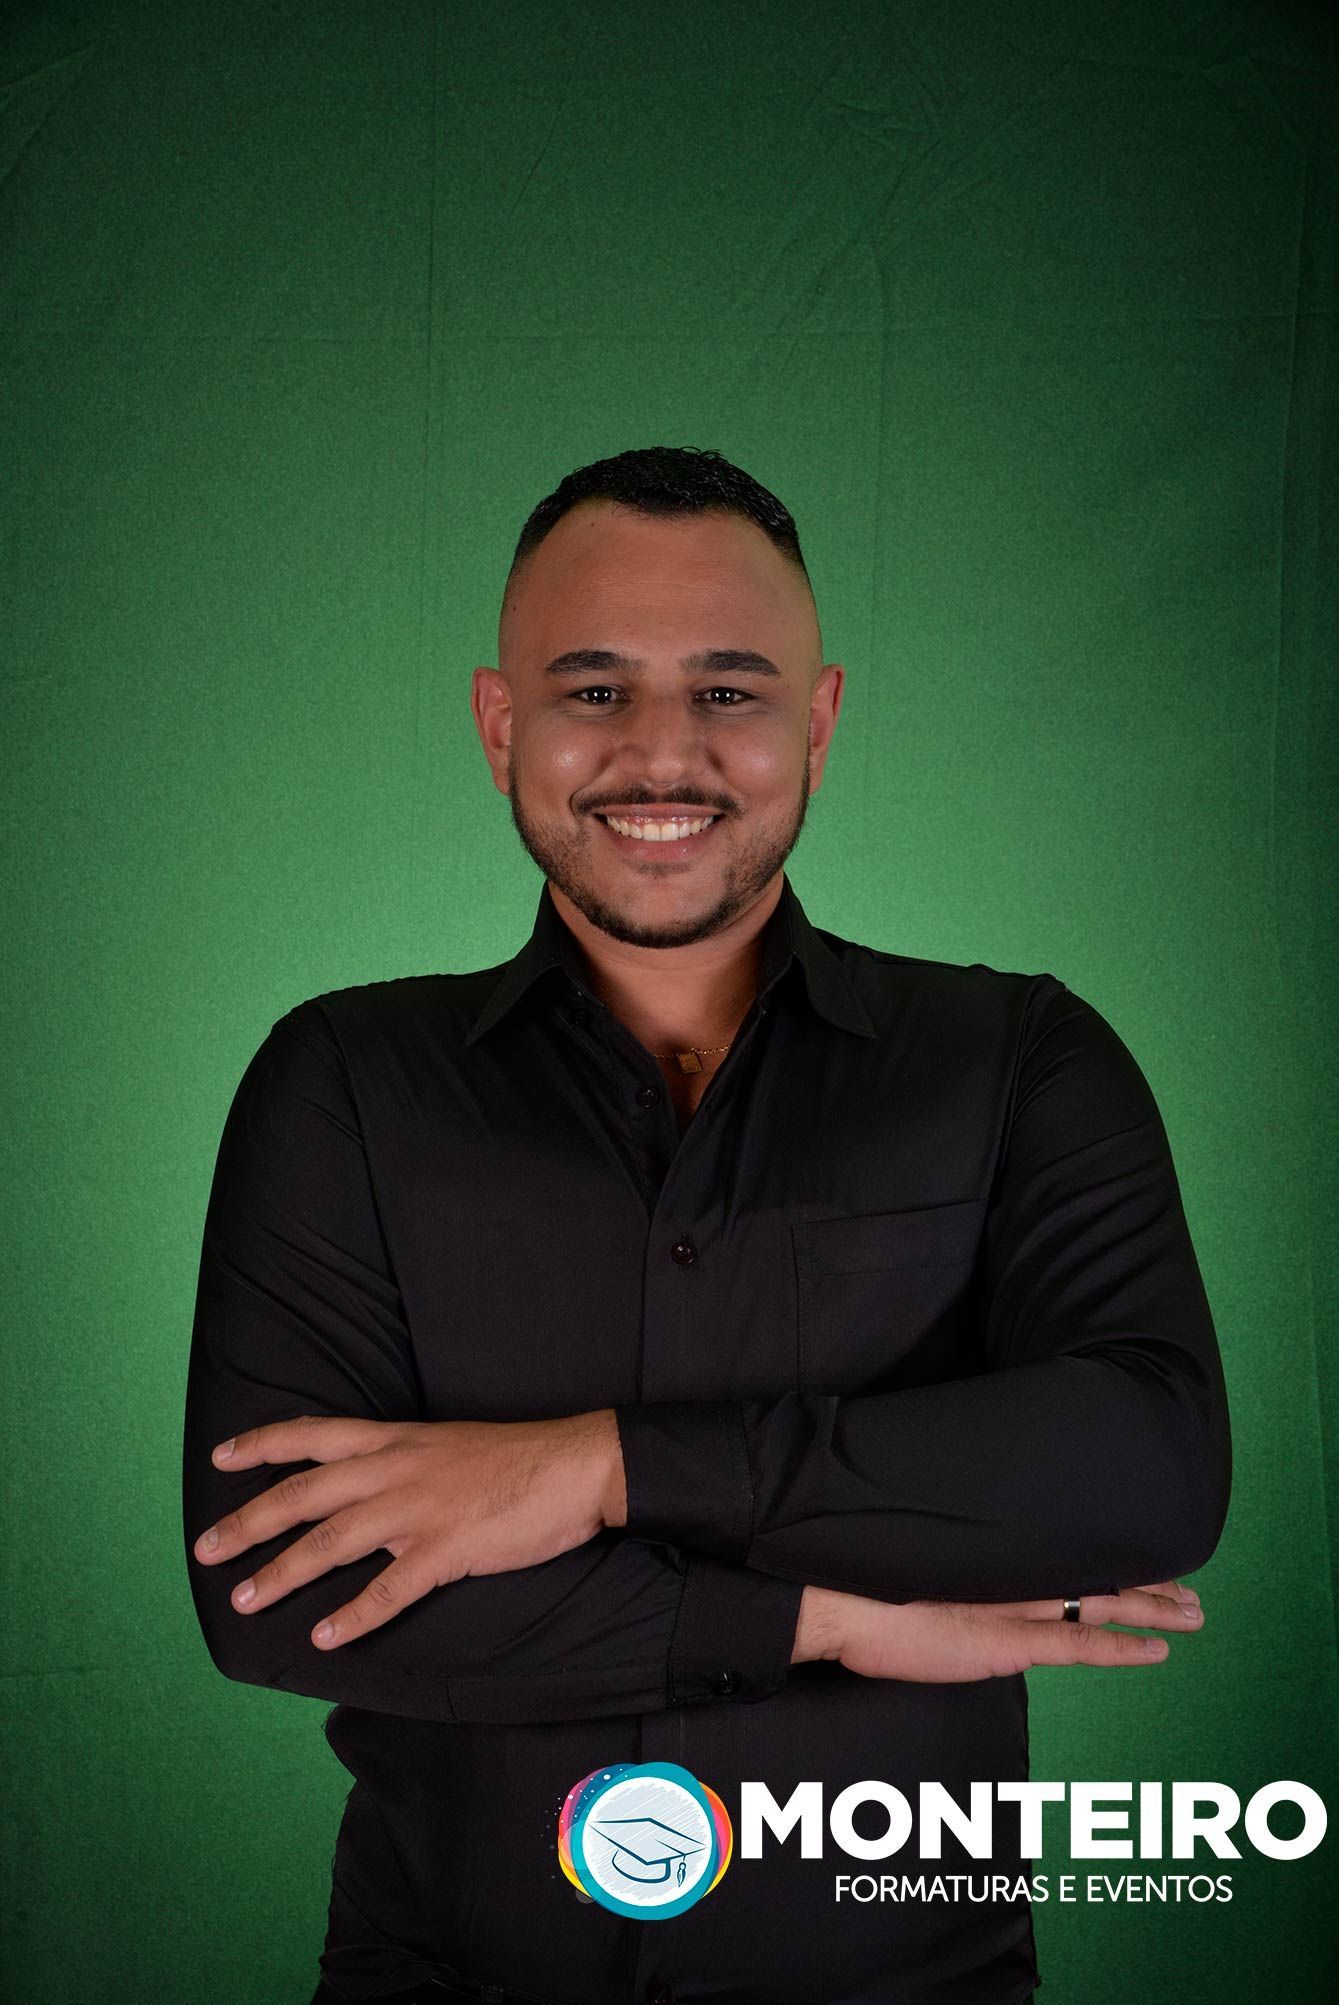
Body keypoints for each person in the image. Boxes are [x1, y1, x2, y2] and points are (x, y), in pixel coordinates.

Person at [182, 446, 1231, 2005]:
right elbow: (284, 1593)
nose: (661, 752)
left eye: (729, 691)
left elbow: (1145, 1465)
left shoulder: (1022, 1062)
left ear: (819, 723)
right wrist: (824, 1614)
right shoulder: (340, 1080)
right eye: (594, 688)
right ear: (500, 725)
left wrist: (600, 1467)